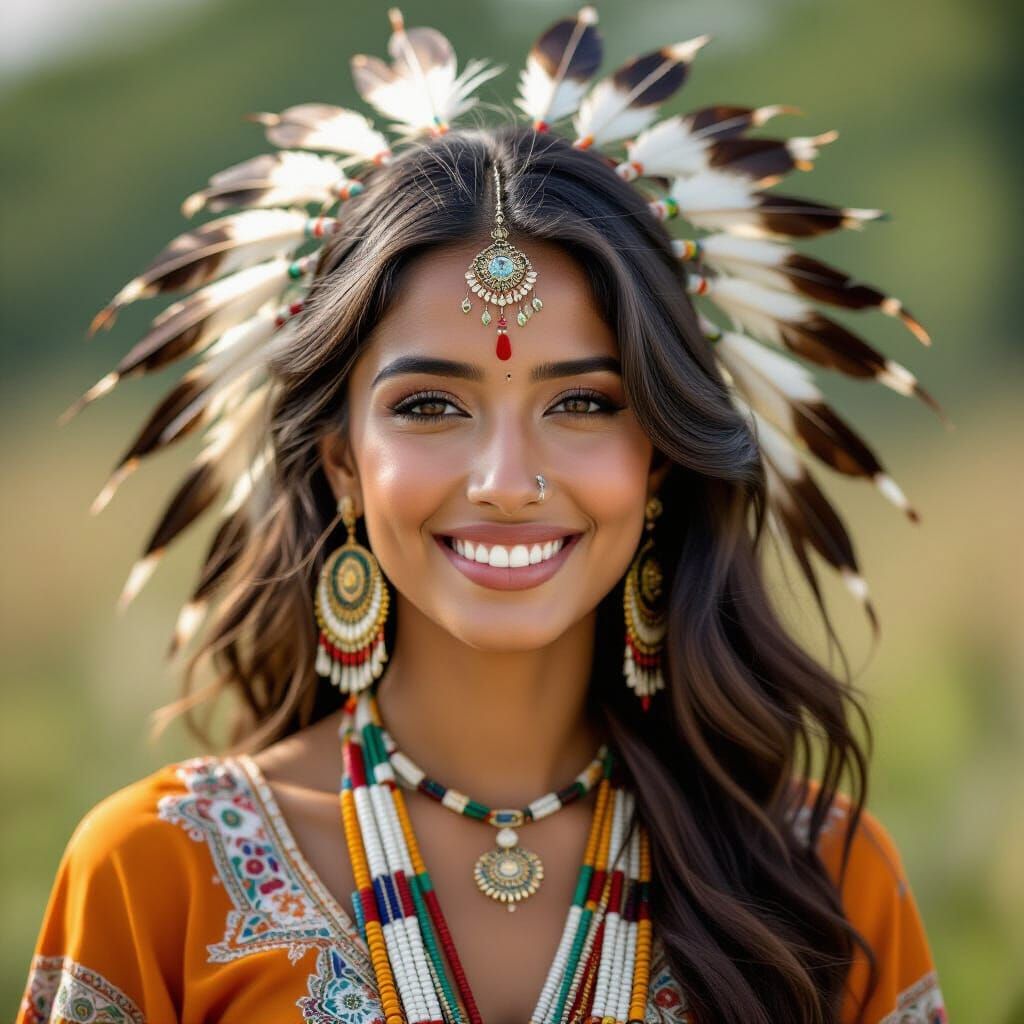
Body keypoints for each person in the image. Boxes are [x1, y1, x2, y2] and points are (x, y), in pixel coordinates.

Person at [17, 8, 948, 1023]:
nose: (507, 478)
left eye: (583, 403)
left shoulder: (816, 878)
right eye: (430, 406)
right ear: (340, 466)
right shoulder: (155, 873)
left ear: (662, 462)